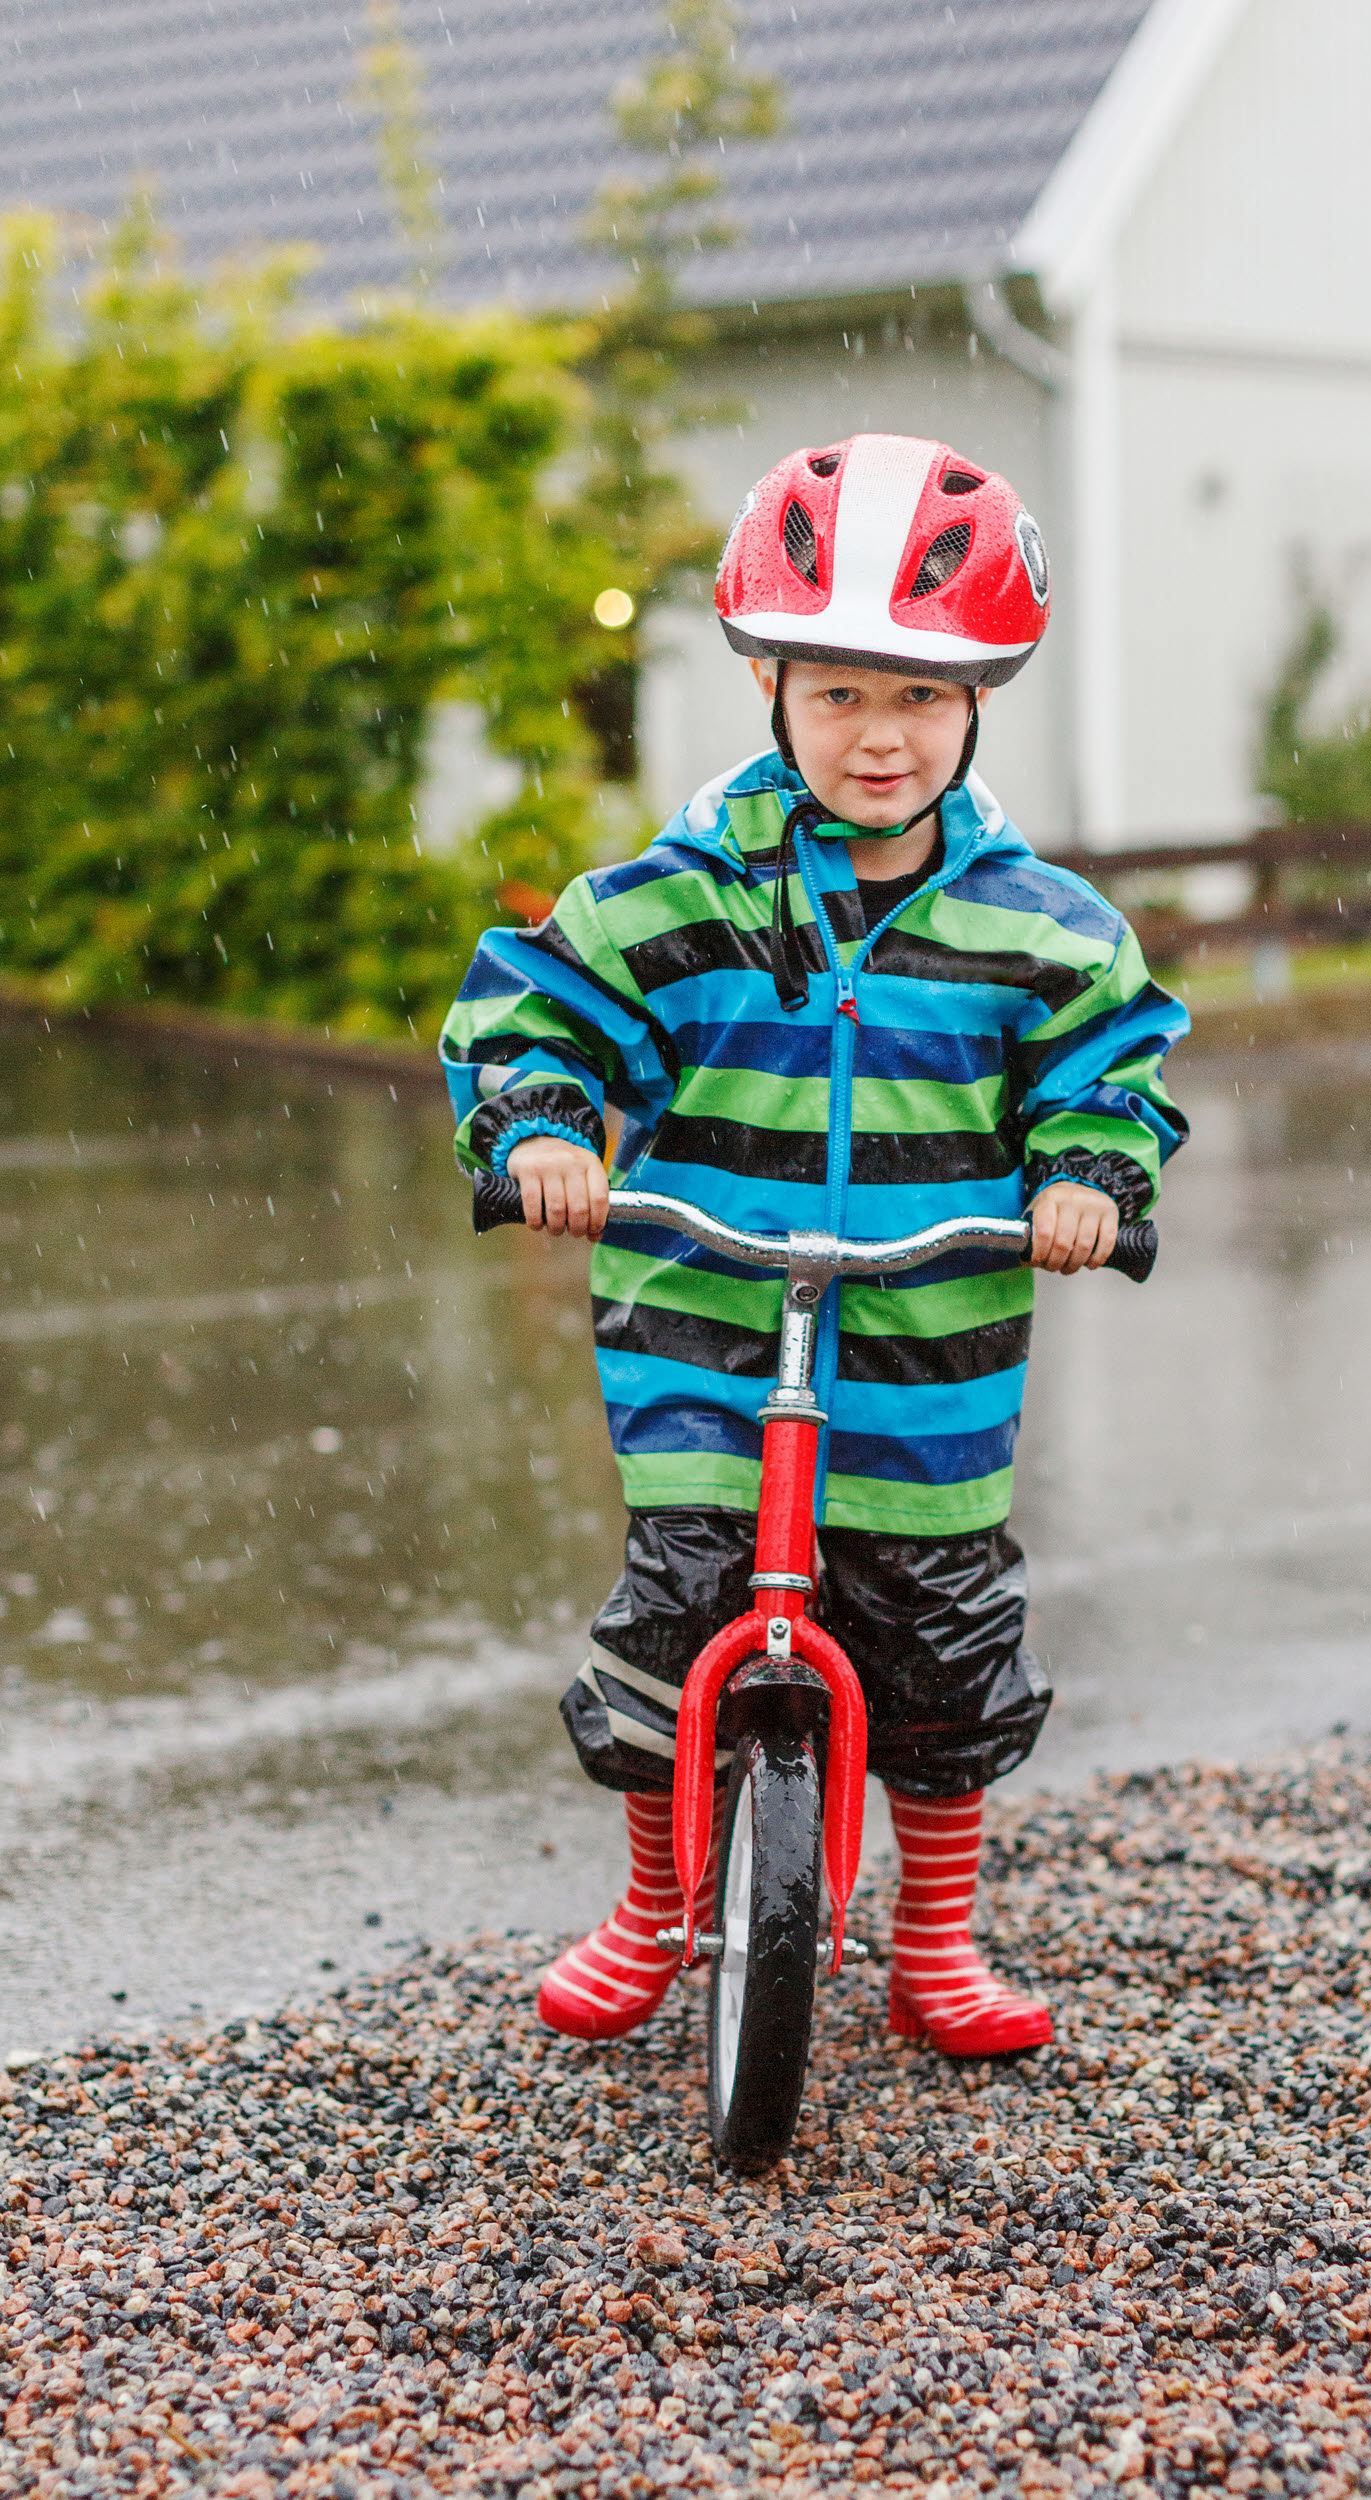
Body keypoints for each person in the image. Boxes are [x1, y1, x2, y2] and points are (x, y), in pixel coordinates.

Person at [440, 432, 1188, 2059]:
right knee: (668, 1638)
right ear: (767, 684)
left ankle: (936, 1946)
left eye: (919, 695)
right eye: (837, 692)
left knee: (942, 1658)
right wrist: (545, 1129)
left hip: (927, 1360)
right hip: (703, 1341)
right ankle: (655, 1907)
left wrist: (1086, 1171)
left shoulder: (1041, 927)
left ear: (980, 698)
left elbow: (1109, 1068)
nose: (879, 735)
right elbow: (529, 1014)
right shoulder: (674, 900)